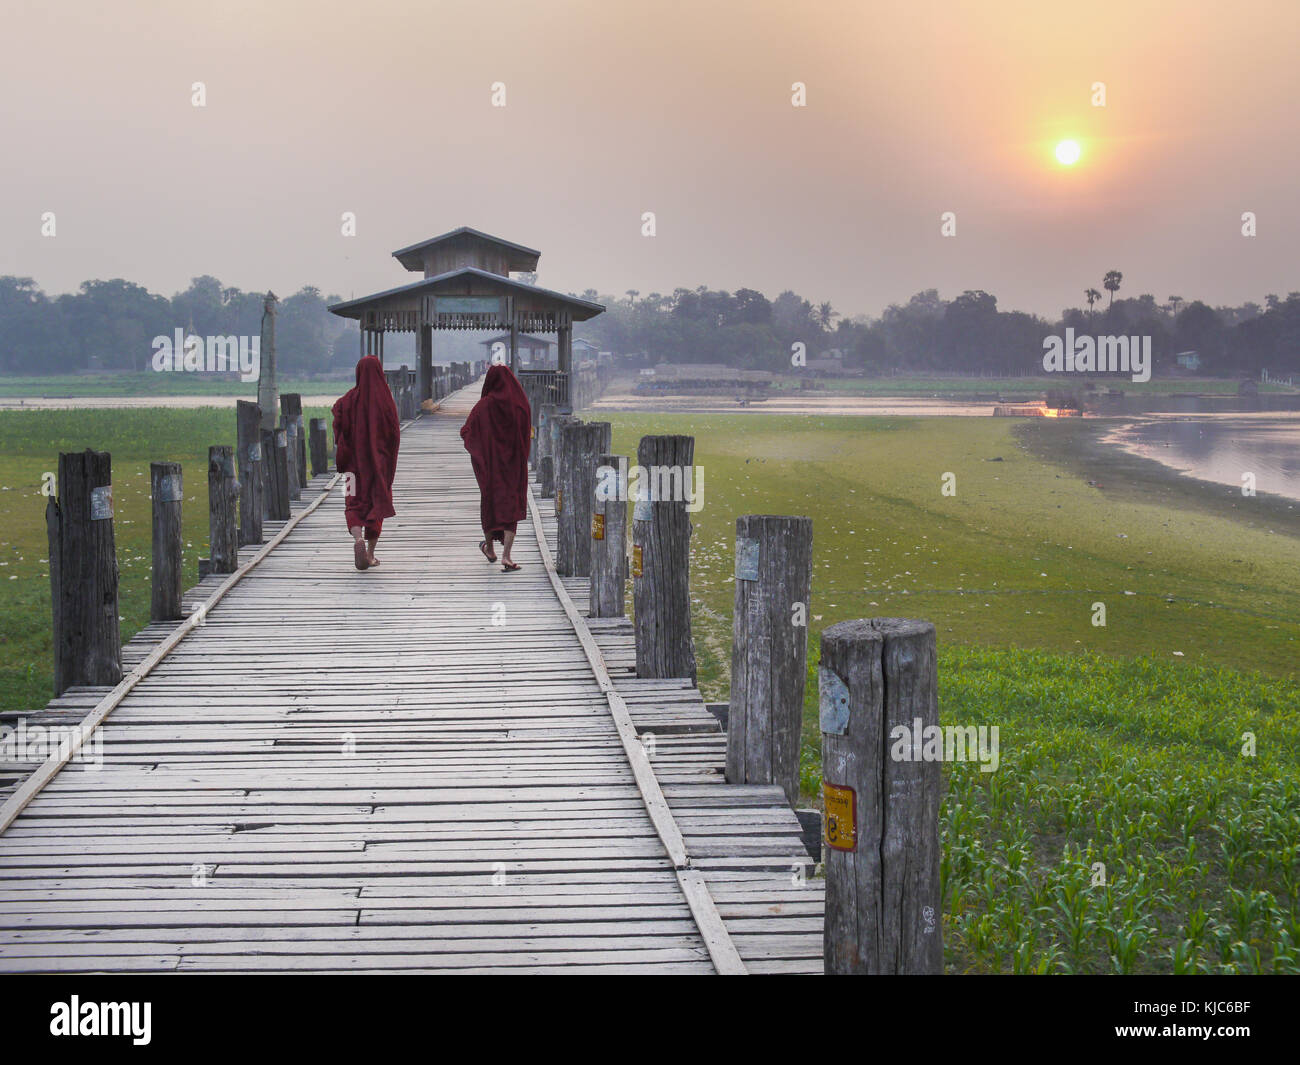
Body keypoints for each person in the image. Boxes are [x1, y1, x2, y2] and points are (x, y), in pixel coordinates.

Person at [460, 364, 532, 571]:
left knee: (490, 506)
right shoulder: (520, 404)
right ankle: (507, 556)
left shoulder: (484, 406)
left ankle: (490, 548)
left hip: (491, 467)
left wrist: (480, 452)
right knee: (511, 507)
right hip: (514, 466)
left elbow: (466, 431)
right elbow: (526, 430)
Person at [332, 355, 400, 570]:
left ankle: (357, 539)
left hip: (351, 469)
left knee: (351, 503)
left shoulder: (347, 400)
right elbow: (394, 435)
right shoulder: (385, 401)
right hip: (378, 469)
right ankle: (370, 554)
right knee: (376, 504)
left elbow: (338, 426)